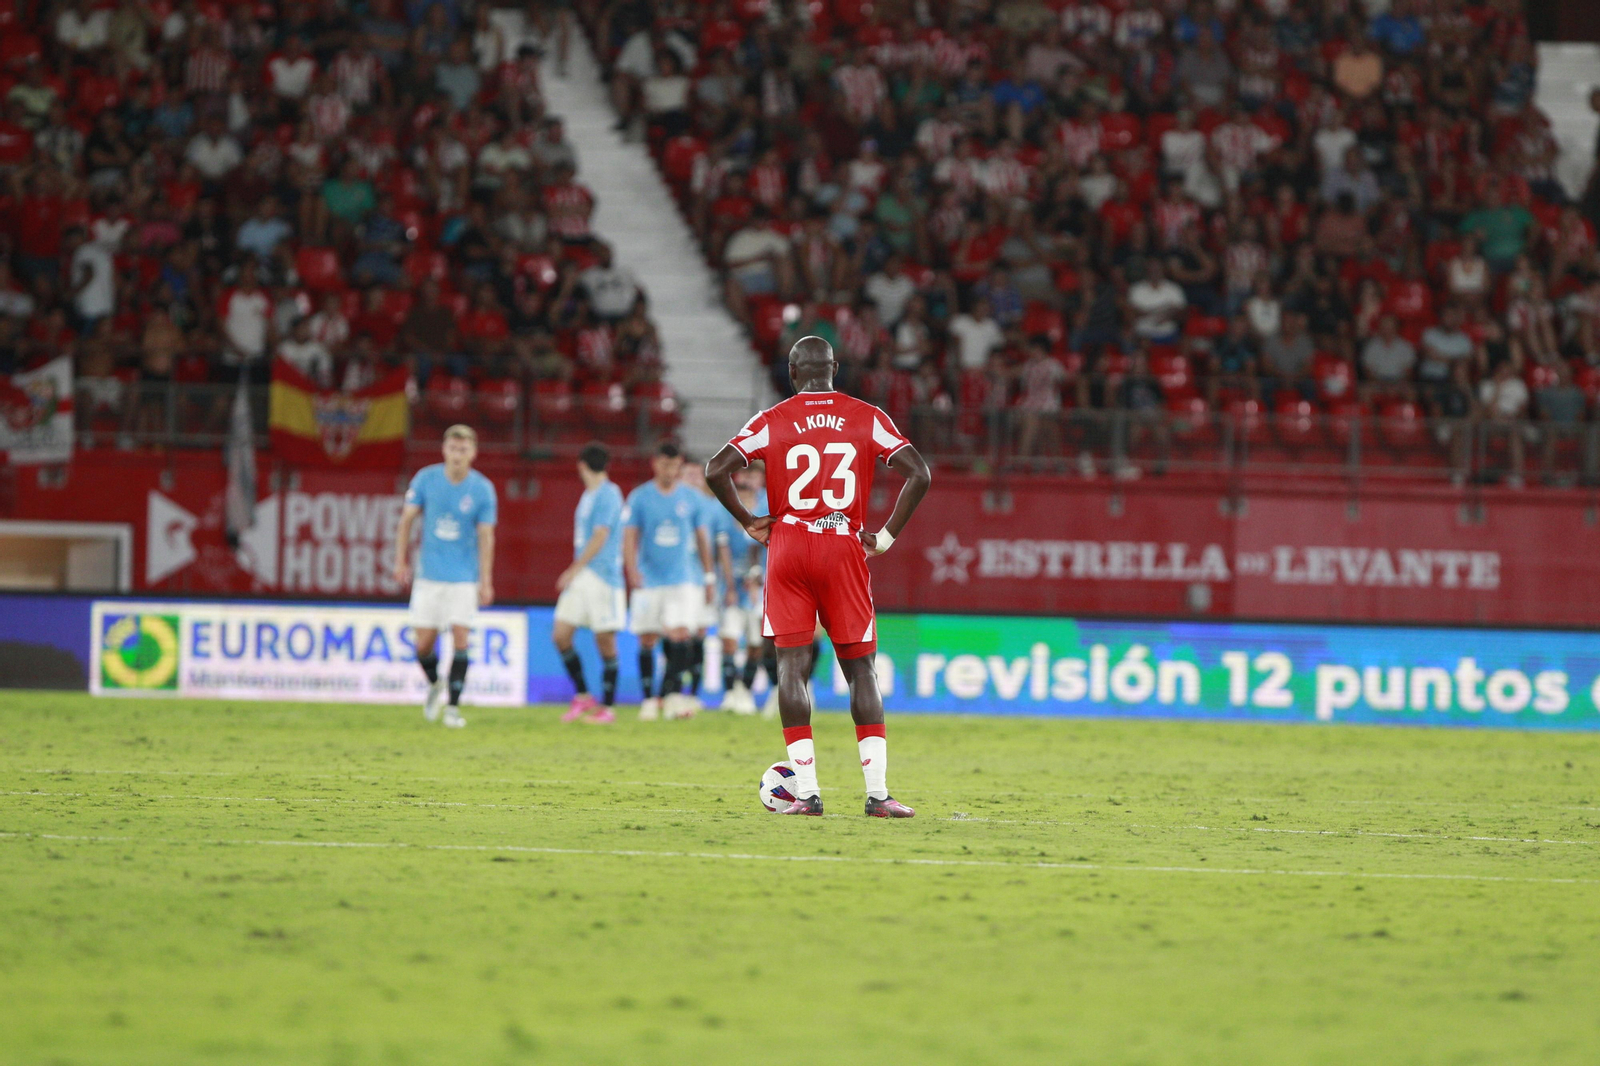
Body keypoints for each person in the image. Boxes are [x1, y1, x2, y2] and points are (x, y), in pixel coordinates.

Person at [705, 335, 932, 818]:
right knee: (861, 670)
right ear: (834, 369)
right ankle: (878, 795)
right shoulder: (867, 416)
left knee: (791, 667)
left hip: (788, 544)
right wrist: (885, 537)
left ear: (792, 373)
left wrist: (748, 520)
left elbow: (715, 468)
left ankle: (807, 794)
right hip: (842, 544)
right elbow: (920, 473)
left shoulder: (770, 420)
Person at [392, 425, 497, 728]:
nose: (457, 455)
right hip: (429, 576)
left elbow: (486, 536)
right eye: (453, 448)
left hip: (464, 578)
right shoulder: (426, 479)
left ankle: (452, 708)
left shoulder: (482, 489)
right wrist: (400, 561)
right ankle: (436, 684)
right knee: (423, 645)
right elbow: (406, 520)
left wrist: (485, 580)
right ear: (444, 450)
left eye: (463, 450)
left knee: (461, 638)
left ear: (473, 453)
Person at [623, 441, 713, 721]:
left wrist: (708, 576)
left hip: (682, 578)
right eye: (665, 465)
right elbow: (629, 535)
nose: (669, 470)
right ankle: (649, 699)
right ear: (655, 464)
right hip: (649, 578)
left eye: (674, 466)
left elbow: (702, 538)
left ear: (679, 466)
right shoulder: (640, 497)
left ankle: (670, 695)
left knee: (681, 634)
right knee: (647, 638)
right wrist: (631, 569)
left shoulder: (692, 498)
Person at [552, 442, 626, 725]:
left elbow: (600, 536)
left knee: (605, 641)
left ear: (581, 465)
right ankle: (583, 696)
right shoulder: (590, 494)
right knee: (561, 635)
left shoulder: (609, 493)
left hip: (603, 576)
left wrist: (573, 569)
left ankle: (607, 707)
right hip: (584, 576)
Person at [710, 465, 769, 714]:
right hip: (731, 588)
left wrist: (756, 579)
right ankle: (729, 693)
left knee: (755, 644)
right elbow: (722, 550)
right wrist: (730, 586)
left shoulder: (764, 513)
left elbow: (762, 550)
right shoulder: (725, 514)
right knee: (729, 640)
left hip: (759, 588)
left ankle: (744, 691)